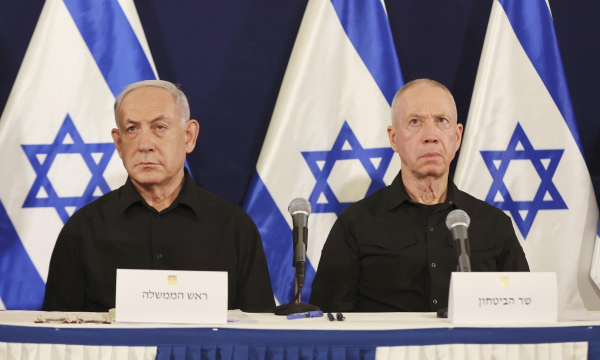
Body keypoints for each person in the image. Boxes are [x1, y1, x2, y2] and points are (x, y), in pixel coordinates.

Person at [42, 80, 275, 312]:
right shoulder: (83, 230)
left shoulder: (234, 228)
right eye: (132, 129)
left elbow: (260, 332)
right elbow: (57, 337)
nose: (144, 144)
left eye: (159, 127)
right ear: (119, 143)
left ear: (189, 136)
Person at [309, 79, 529, 312]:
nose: (430, 135)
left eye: (441, 121)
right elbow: (328, 321)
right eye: (415, 122)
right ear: (394, 138)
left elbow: (523, 310)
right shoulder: (355, 224)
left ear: (457, 137)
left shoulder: (494, 224)